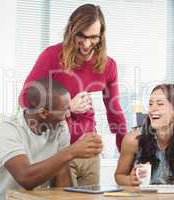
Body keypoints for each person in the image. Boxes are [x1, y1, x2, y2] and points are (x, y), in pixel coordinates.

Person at [18, 4, 127, 186]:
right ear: (71, 31)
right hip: (58, 150)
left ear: (101, 36)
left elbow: (114, 112)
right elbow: (25, 99)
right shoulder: (52, 56)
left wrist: (126, 154)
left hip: (89, 150)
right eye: (81, 36)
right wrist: (67, 108)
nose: (86, 44)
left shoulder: (109, 66)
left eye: (93, 37)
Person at [0, 78, 102, 200]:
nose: (68, 115)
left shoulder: (60, 127)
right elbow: (26, 179)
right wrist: (71, 151)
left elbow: (62, 185)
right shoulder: (7, 129)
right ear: (43, 113)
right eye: (64, 111)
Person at [115, 84, 174, 185]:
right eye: (150, 104)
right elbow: (119, 176)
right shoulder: (133, 139)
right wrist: (130, 180)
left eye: (160, 104)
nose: (152, 109)